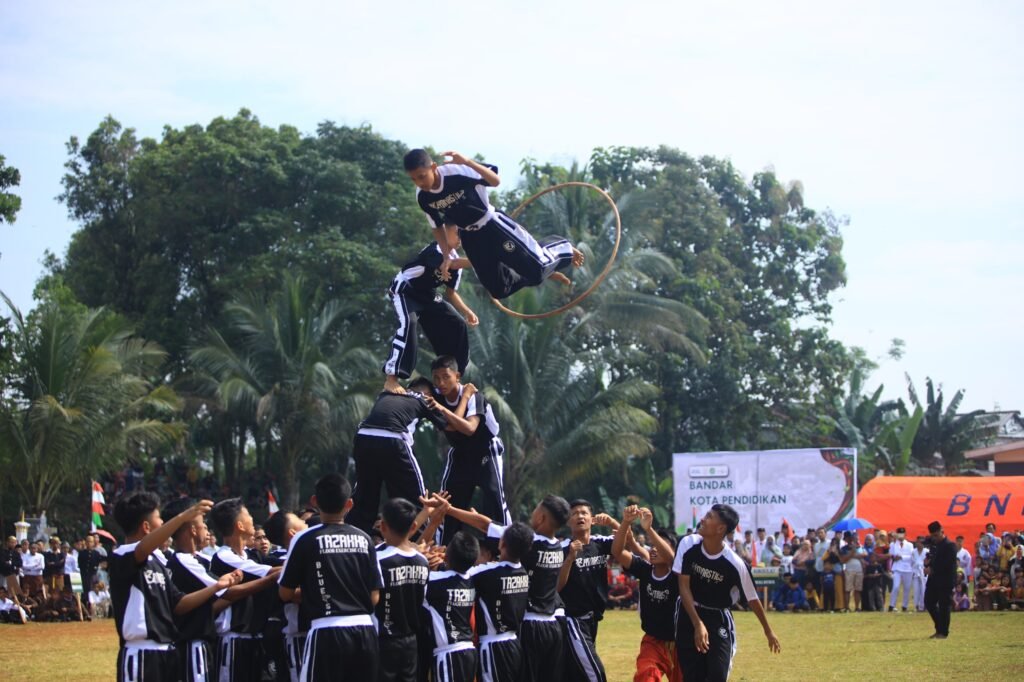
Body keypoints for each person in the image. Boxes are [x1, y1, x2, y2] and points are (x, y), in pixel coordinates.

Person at [404, 149, 584, 300]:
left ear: (433, 167)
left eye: (422, 176)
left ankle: (562, 247)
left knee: (537, 270)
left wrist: (468, 162)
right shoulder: (423, 196)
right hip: (470, 238)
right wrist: (446, 256)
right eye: (414, 179)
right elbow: (436, 227)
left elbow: (495, 181)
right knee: (499, 290)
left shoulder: (456, 172)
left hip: (493, 225)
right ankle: (532, 269)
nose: (420, 183)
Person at [430, 492, 572, 682]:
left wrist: (449, 510)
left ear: (541, 517)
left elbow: (484, 525)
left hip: (528, 628)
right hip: (553, 624)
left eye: (536, 508)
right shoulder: (558, 548)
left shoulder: (530, 543)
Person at [109, 492, 241, 682]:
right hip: (141, 653)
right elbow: (141, 549)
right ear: (146, 527)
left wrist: (216, 587)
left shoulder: (157, 562)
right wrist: (182, 518)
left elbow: (178, 603)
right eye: (159, 520)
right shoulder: (123, 555)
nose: (163, 524)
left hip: (167, 651)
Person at [278, 473, 383, 682]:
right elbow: (374, 597)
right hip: (365, 631)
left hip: (325, 630)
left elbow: (285, 593)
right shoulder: (364, 538)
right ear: (349, 504)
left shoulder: (305, 539)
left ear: (315, 501)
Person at [676, 504, 780, 681]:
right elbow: (683, 586)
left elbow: (753, 598)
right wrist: (697, 624)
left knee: (717, 675)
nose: (702, 519)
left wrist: (768, 631)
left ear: (721, 528)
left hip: (718, 618)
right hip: (688, 613)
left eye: (709, 517)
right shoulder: (689, 545)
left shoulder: (735, 564)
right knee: (692, 676)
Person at [346, 376, 452, 535]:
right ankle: (415, 546)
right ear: (429, 393)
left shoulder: (387, 394)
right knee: (415, 501)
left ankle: (353, 538)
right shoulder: (424, 399)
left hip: (363, 437)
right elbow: (451, 425)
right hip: (393, 439)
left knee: (364, 496)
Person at [428, 356, 512, 544]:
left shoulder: (475, 396)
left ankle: (506, 547)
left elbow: (469, 428)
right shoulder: (436, 400)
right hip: (460, 453)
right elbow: (453, 426)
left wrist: (464, 397)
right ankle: (444, 550)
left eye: (445, 377)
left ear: (457, 376)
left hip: (486, 450)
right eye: (436, 378)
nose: (441, 383)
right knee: (447, 501)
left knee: (494, 496)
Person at [381, 241, 478, 394]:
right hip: (405, 290)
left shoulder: (455, 259)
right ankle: (391, 378)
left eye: (461, 236)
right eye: (457, 234)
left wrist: (467, 311)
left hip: (427, 295)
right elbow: (449, 264)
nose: (460, 239)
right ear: (445, 230)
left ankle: (454, 375)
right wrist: (480, 259)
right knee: (409, 323)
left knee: (457, 323)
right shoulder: (435, 249)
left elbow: (451, 293)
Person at [209, 498, 283, 682]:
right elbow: (268, 572)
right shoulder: (224, 557)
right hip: (234, 640)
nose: (252, 518)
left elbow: (277, 564)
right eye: (248, 515)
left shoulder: (253, 555)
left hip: (255, 638)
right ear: (240, 525)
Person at [612, 506, 683, 682]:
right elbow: (618, 552)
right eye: (652, 546)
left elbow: (672, 558)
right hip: (653, 642)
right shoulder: (644, 570)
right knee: (646, 676)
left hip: (682, 644)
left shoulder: (678, 574)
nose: (653, 549)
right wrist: (626, 522)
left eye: (660, 545)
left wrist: (649, 529)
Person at [557, 500, 625, 682]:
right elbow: (557, 586)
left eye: (584, 513)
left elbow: (626, 541)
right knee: (595, 673)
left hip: (593, 619)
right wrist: (570, 558)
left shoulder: (601, 543)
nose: (580, 516)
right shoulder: (562, 548)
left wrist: (614, 523)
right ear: (568, 521)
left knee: (576, 674)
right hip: (573, 620)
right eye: (575, 513)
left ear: (592, 519)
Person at [468, 521, 535, 682]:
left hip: (492, 646)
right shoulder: (522, 573)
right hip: (514, 643)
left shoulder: (487, 572)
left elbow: (459, 573)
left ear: (502, 543)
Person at [374, 498, 430, 682]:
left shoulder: (378, 560)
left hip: (383, 641)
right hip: (411, 642)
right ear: (414, 527)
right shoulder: (423, 562)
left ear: (382, 526)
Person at [423, 531, 480, 682]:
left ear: (447, 556)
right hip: (468, 650)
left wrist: (423, 557)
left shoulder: (435, 581)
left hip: (448, 654)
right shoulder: (471, 578)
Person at [263, 510, 310, 682]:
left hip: (317, 634)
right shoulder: (288, 563)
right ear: (293, 533)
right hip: (299, 637)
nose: (306, 523)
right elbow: (291, 595)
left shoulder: (309, 553)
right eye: (299, 520)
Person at [923, 521, 957, 639]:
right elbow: (933, 560)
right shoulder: (934, 546)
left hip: (945, 581)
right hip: (933, 580)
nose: (934, 538)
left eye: (936, 535)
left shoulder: (950, 546)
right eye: (933, 535)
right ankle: (939, 627)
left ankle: (943, 632)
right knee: (929, 602)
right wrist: (927, 564)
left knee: (944, 606)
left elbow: (947, 564)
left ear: (942, 532)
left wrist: (932, 569)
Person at [888, 528, 914, 612]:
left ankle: (904, 606)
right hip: (897, 568)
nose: (901, 536)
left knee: (907, 588)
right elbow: (891, 554)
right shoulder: (893, 544)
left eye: (902, 534)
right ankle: (892, 605)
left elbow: (911, 556)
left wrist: (902, 557)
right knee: (895, 587)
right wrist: (894, 557)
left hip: (908, 569)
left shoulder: (910, 545)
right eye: (899, 534)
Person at [911, 537, 930, 612]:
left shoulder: (927, 551)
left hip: (924, 572)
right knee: (916, 590)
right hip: (916, 572)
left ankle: (923, 606)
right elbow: (911, 563)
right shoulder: (913, 552)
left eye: (920, 542)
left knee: (924, 590)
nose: (918, 544)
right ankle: (917, 606)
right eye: (917, 542)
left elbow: (929, 561)